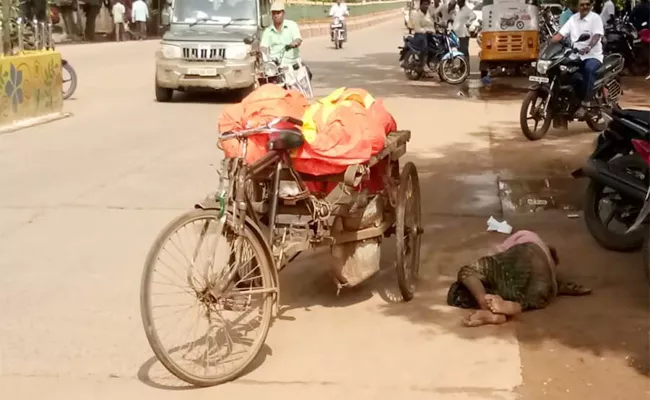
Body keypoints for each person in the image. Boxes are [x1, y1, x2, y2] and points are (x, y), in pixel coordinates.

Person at [447, 230, 591, 327]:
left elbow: (500, 255)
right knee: (533, 294)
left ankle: (498, 306)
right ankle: (504, 307)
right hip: (538, 272)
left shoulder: (524, 236)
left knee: (470, 272)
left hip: (538, 272)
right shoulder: (531, 241)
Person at [551, 0, 604, 119]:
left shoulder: (595, 18)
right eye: (582, 4)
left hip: (592, 56)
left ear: (590, 5)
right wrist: (549, 42)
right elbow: (561, 34)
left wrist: (589, 47)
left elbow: (596, 36)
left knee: (589, 69)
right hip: (575, 55)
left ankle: (585, 104)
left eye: (587, 4)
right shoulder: (573, 19)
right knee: (561, 71)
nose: (585, 6)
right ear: (577, 6)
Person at [260, 2, 303, 67]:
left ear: (284, 13)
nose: (276, 15)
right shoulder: (267, 31)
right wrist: (262, 51)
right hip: (276, 66)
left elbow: (298, 39)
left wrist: (295, 43)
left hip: (293, 64)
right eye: (274, 13)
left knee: (304, 75)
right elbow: (263, 46)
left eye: (278, 13)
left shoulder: (292, 25)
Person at [410, 0, 436, 71]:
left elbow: (432, 24)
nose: (426, 6)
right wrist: (426, 30)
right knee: (424, 44)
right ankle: (423, 64)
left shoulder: (429, 13)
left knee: (435, 48)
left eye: (427, 4)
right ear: (420, 5)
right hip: (419, 35)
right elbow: (417, 28)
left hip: (429, 34)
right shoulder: (416, 14)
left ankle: (429, 62)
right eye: (424, 4)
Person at [453, 0, 476, 70]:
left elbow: (474, 16)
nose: (458, 2)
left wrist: (468, 22)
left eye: (460, 1)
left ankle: (466, 70)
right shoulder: (459, 10)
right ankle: (462, 69)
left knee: (464, 52)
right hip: (458, 35)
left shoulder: (467, 10)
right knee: (461, 53)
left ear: (463, 2)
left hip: (464, 34)